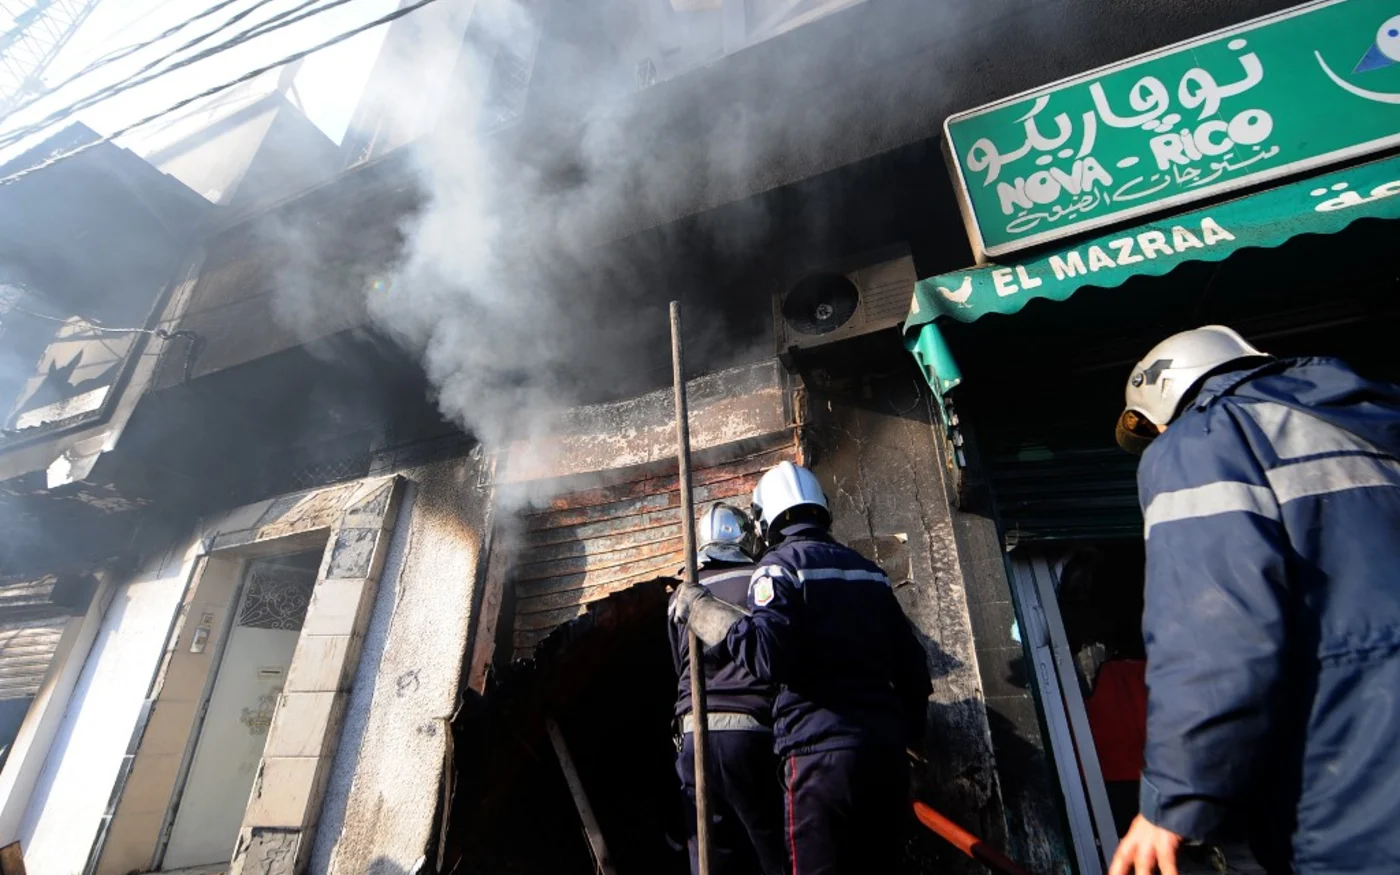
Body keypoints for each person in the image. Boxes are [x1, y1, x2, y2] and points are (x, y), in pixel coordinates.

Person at [1108, 326, 1400, 875]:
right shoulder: (1373, 418)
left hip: (1353, 782)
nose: (1161, 436)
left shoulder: (1206, 438)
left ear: (1166, 394)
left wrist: (1174, 800)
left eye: (1155, 427)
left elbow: (1215, 632)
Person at [673, 461, 932, 875]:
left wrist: (709, 613)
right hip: (885, 759)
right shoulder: (871, 575)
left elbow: (767, 658)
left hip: (819, 760)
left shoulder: (779, 569)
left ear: (763, 521)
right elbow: (916, 671)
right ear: (822, 508)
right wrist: (911, 738)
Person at [667, 502, 787, 875]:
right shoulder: (762, 580)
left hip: (692, 737)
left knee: (710, 858)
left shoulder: (682, 595)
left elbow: (680, 668)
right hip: (751, 735)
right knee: (775, 852)